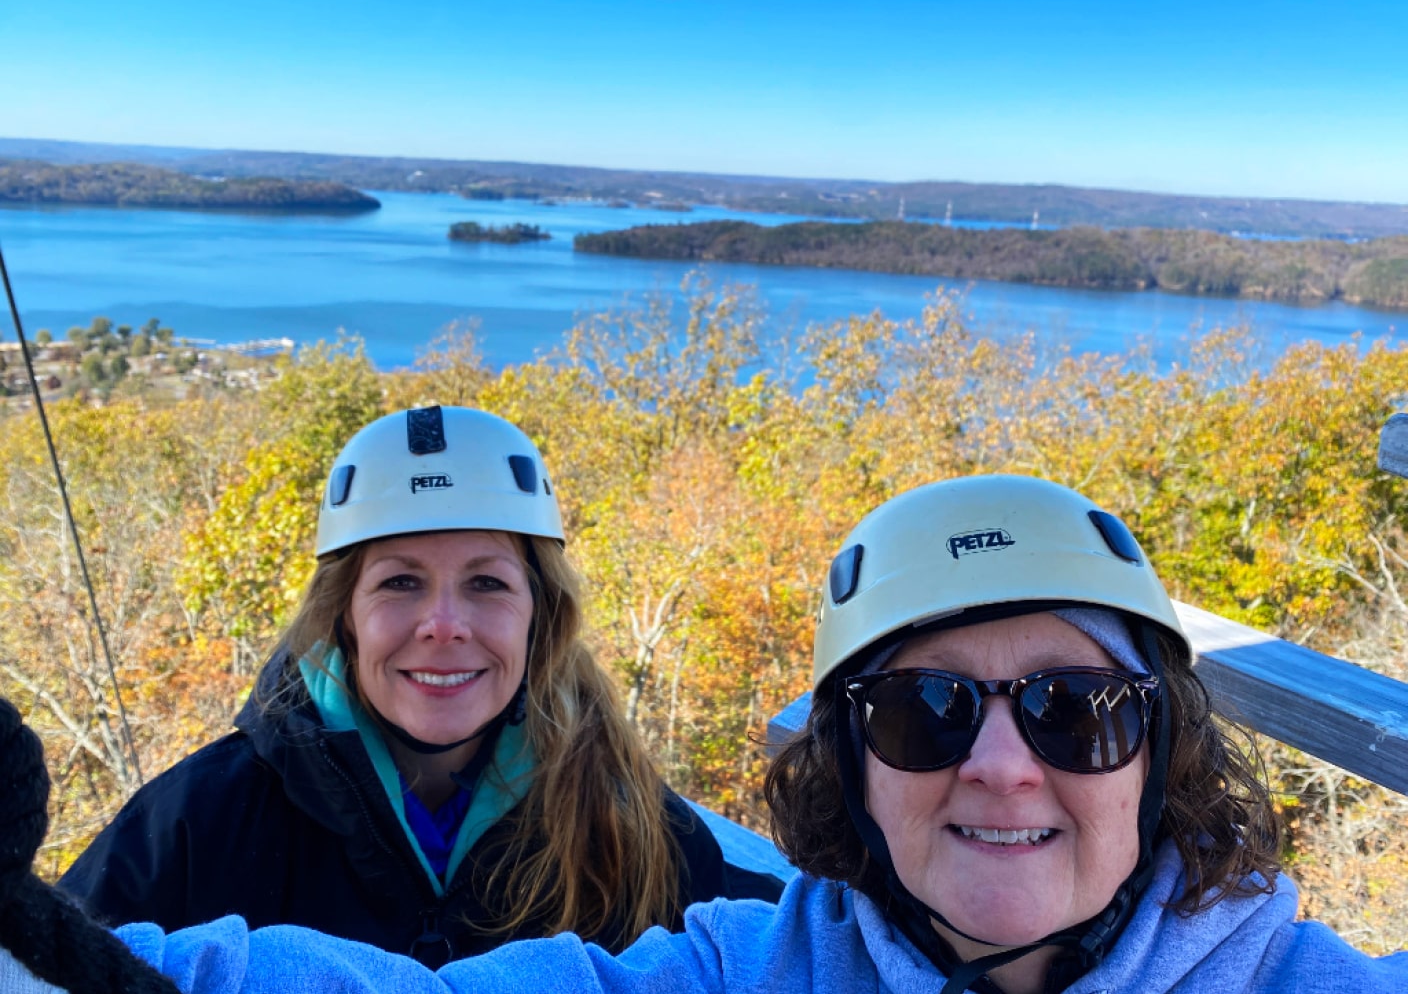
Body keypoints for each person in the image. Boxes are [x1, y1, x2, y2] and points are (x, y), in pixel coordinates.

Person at [12, 473, 1407, 993]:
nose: (999, 763)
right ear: (849, 764)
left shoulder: (640, 828)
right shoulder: (756, 968)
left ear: (1166, 750)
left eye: (1077, 708)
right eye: (922, 709)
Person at [57, 405, 782, 966]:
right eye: (400, 582)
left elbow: (776, 954)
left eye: (487, 583)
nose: (443, 624)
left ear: (540, 616)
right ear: (343, 617)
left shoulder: (629, 824)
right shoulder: (199, 825)